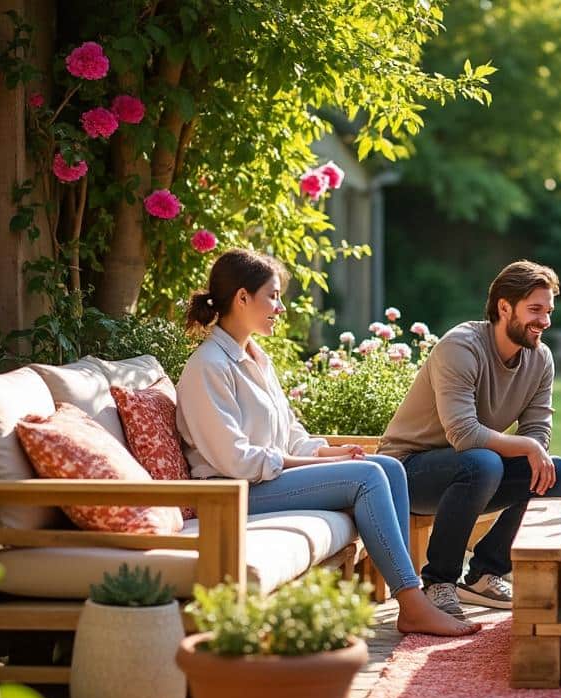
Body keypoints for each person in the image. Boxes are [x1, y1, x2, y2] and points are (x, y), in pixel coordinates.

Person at [176, 248, 476, 637]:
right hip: (229, 492)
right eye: (274, 295)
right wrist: (316, 466)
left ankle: (408, 590)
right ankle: (414, 604)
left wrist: (325, 451)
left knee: (387, 466)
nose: (280, 307)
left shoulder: (255, 357)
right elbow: (236, 460)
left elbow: (288, 430)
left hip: (260, 481)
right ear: (242, 298)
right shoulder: (208, 367)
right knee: (367, 477)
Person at [378, 260, 561, 621]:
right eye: (535, 310)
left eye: (548, 311)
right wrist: (528, 447)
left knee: (559, 473)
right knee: (483, 461)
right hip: (406, 473)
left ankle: (486, 572)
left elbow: (537, 429)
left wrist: (534, 448)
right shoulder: (460, 347)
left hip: (473, 474)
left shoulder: (540, 359)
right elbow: (464, 434)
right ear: (504, 307)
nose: (544, 321)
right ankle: (439, 581)